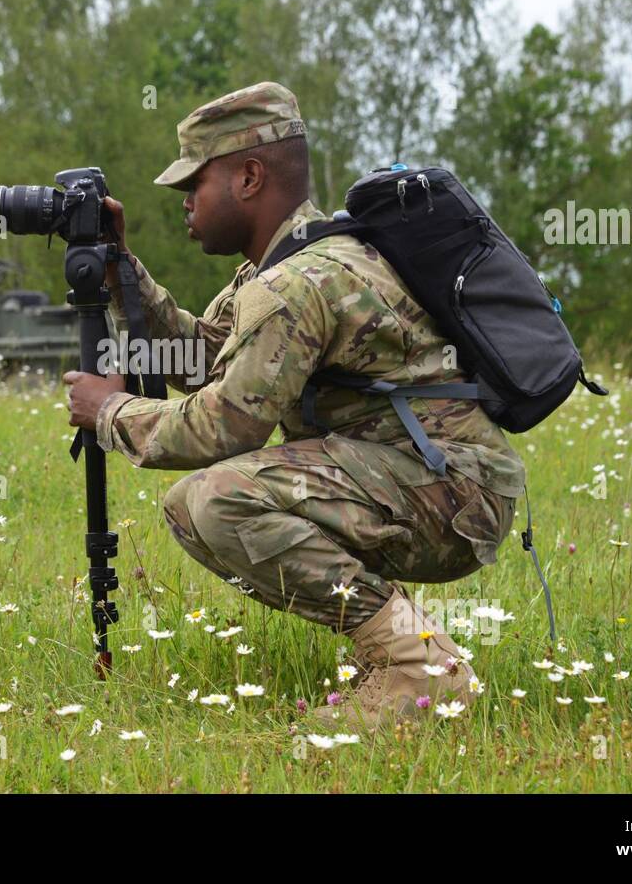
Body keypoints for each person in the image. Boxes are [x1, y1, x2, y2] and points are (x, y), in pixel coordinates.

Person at [62, 81, 525, 732]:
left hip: (454, 489)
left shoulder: (297, 282)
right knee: (190, 505)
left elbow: (227, 425)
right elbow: (200, 359)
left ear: (249, 177)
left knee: (219, 497)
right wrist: (120, 272)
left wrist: (110, 413)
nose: (185, 204)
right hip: (429, 479)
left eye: (194, 184)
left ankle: (416, 663)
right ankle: (398, 651)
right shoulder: (281, 266)